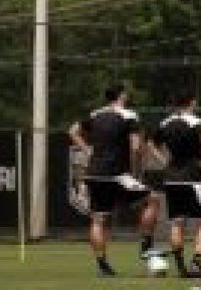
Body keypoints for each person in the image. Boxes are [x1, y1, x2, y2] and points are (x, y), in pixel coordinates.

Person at [69, 84, 151, 276]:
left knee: (98, 219)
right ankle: (146, 245)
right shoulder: (129, 115)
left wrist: (87, 149)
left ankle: (102, 264)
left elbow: (72, 131)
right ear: (121, 96)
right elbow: (136, 146)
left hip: (94, 173)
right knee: (152, 200)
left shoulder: (95, 114)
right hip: (117, 174)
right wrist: (138, 160)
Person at [154, 91, 201, 279]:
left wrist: (164, 160)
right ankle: (196, 262)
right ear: (192, 102)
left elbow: (151, 144)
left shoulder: (165, 123)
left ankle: (180, 267)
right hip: (193, 177)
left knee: (177, 222)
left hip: (172, 177)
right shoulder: (197, 122)